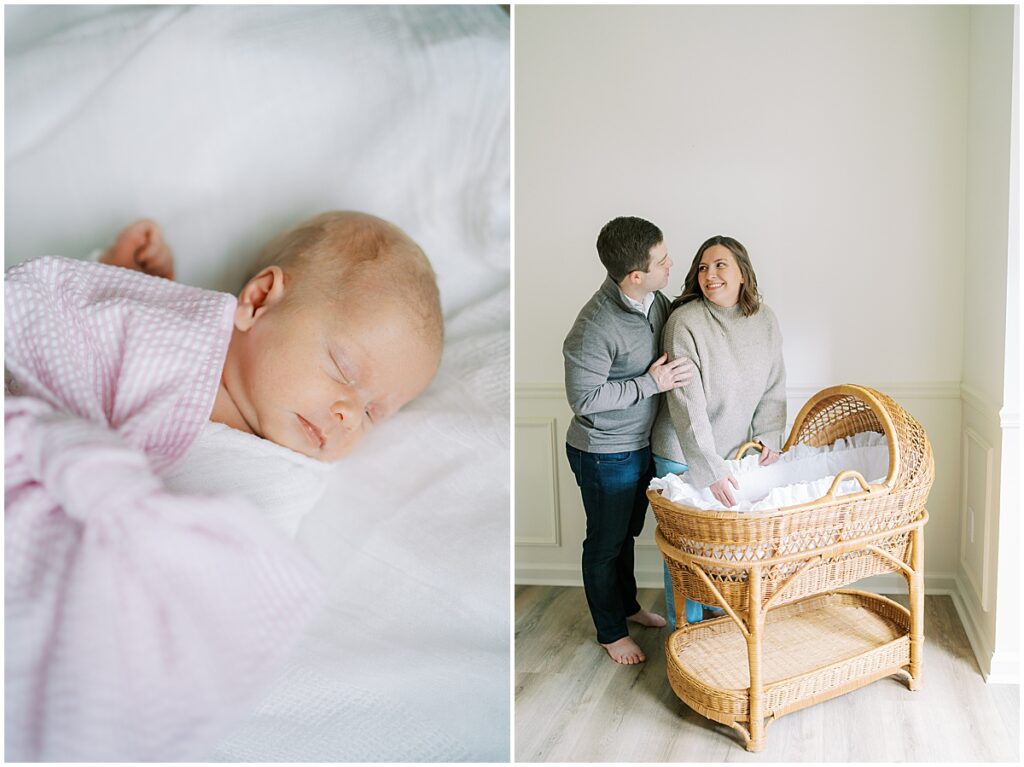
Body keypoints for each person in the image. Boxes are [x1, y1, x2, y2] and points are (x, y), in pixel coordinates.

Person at [98, 211, 443, 462]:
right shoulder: (177, 324)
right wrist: (124, 277)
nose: (349, 417)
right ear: (260, 300)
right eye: (343, 368)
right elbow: (96, 332)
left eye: (372, 413)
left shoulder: (282, 474)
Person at [562, 216, 696, 665]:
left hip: (640, 445)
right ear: (636, 275)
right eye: (662, 261)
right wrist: (650, 384)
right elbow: (585, 399)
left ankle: (628, 606)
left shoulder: (653, 300)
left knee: (626, 536)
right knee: (604, 544)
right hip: (603, 453)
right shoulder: (594, 326)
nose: (670, 264)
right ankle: (611, 632)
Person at [651, 235, 786, 628]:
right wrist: (707, 466)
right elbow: (686, 405)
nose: (710, 275)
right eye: (703, 267)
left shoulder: (765, 320)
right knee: (687, 551)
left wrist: (769, 437)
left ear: (743, 272)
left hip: (732, 453)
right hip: (682, 450)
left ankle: (716, 622)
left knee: (722, 549)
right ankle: (686, 634)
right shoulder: (686, 322)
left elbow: (774, 385)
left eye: (720, 265)